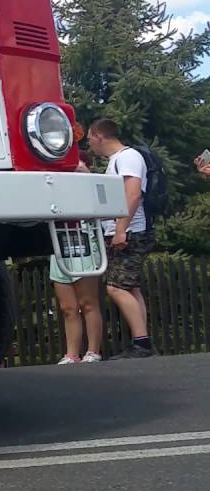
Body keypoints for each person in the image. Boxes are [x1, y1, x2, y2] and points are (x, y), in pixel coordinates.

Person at [87, 120, 155, 360]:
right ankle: (142, 340)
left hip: (131, 231)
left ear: (98, 135)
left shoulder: (127, 157)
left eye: (89, 139)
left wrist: (120, 229)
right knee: (131, 287)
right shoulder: (119, 160)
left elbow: (133, 193)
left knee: (115, 287)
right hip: (127, 229)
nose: (89, 144)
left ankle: (142, 343)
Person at [54, 163, 105, 365]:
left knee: (88, 302)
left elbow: (94, 193)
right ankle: (71, 353)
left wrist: (83, 172)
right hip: (58, 240)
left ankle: (93, 351)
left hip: (81, 237)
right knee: (68, 307)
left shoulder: (79, 166)